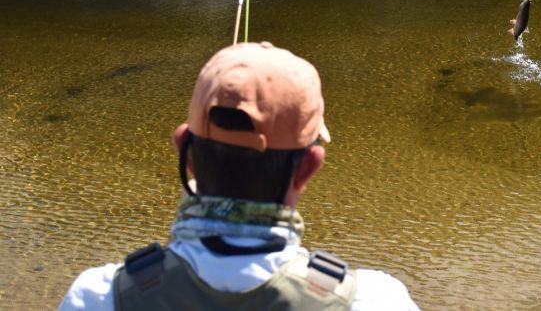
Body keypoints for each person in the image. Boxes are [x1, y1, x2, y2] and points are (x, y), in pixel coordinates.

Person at [59, 41, 419, 310]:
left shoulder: (98, 296)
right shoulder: (374, 299)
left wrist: (173, 256)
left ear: (185, 150)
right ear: (310, 166)